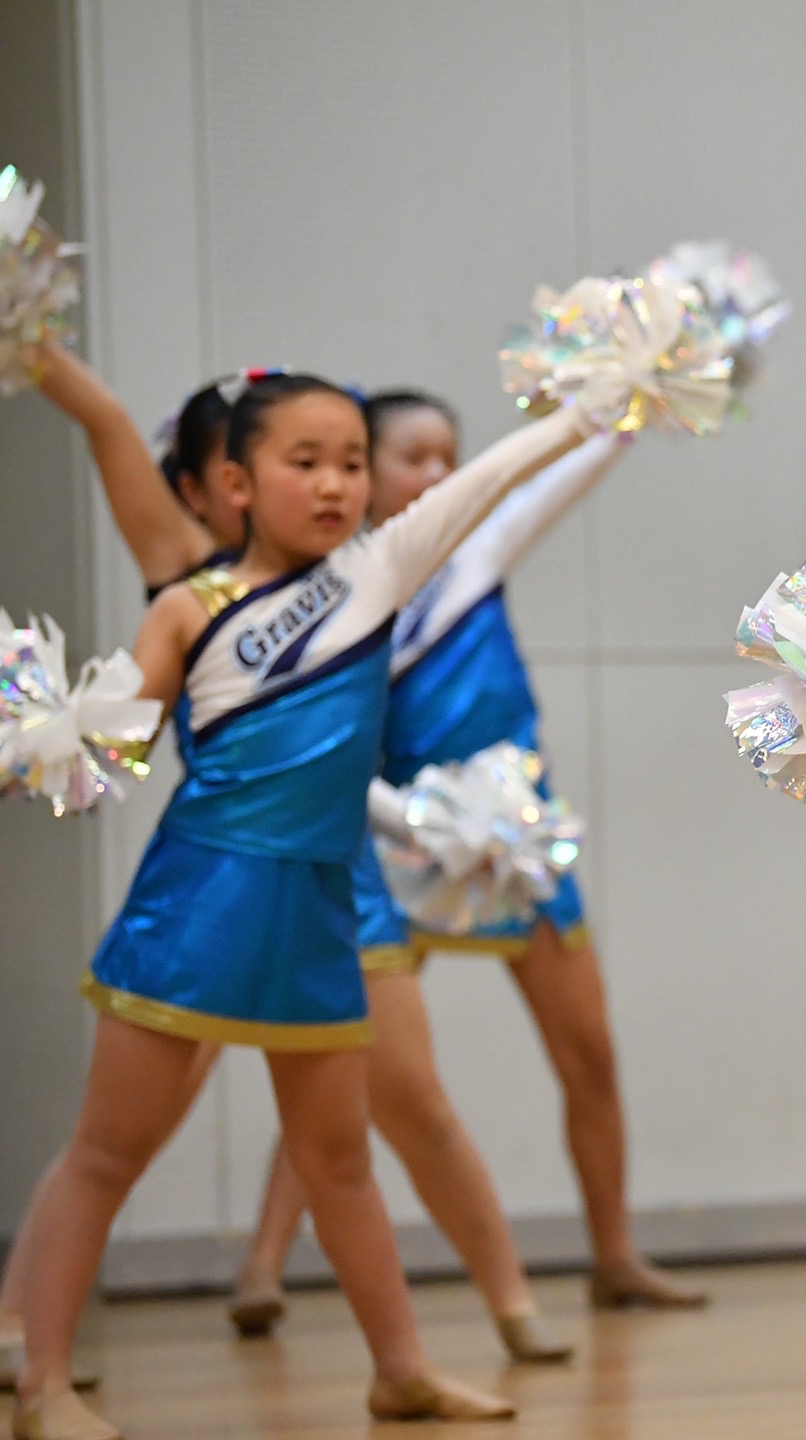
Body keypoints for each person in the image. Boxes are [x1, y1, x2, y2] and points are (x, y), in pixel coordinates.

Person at [8, 375, 593, 1439]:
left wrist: (597, 408)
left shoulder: (381, 568)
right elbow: (125, 736)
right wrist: (38, 743)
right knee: (104, 1153)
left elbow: (492, 480)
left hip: (323, 904)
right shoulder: (192, 602)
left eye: (351, 464)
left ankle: (400, 1370)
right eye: (304, 462)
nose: (334, 484)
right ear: (233, 481)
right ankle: (42, 1383)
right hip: (201, 899)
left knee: (340, 1162)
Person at [220, 391, 657, 1359]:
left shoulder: (474, 559)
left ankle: (614, 1255)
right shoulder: (343, 592)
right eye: (416, 456)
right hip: (401, 843)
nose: (437, 472)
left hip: (519, 844)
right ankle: (260, 1265)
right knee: (341, 1066)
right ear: (370, 476)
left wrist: (633, 392)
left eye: (450, 454)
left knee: (588, 1050)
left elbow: (558, 475)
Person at [0, 362, 264, 1393]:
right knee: (121, 1135)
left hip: (331, 874)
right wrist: (28, 320)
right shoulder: (187, 570)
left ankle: (383, 1341)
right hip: (220, 884)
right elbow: (102, 414)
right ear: (199, 488)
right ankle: (25, 1328)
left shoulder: (344, 580)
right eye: (239, 463)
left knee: (363, 1112)